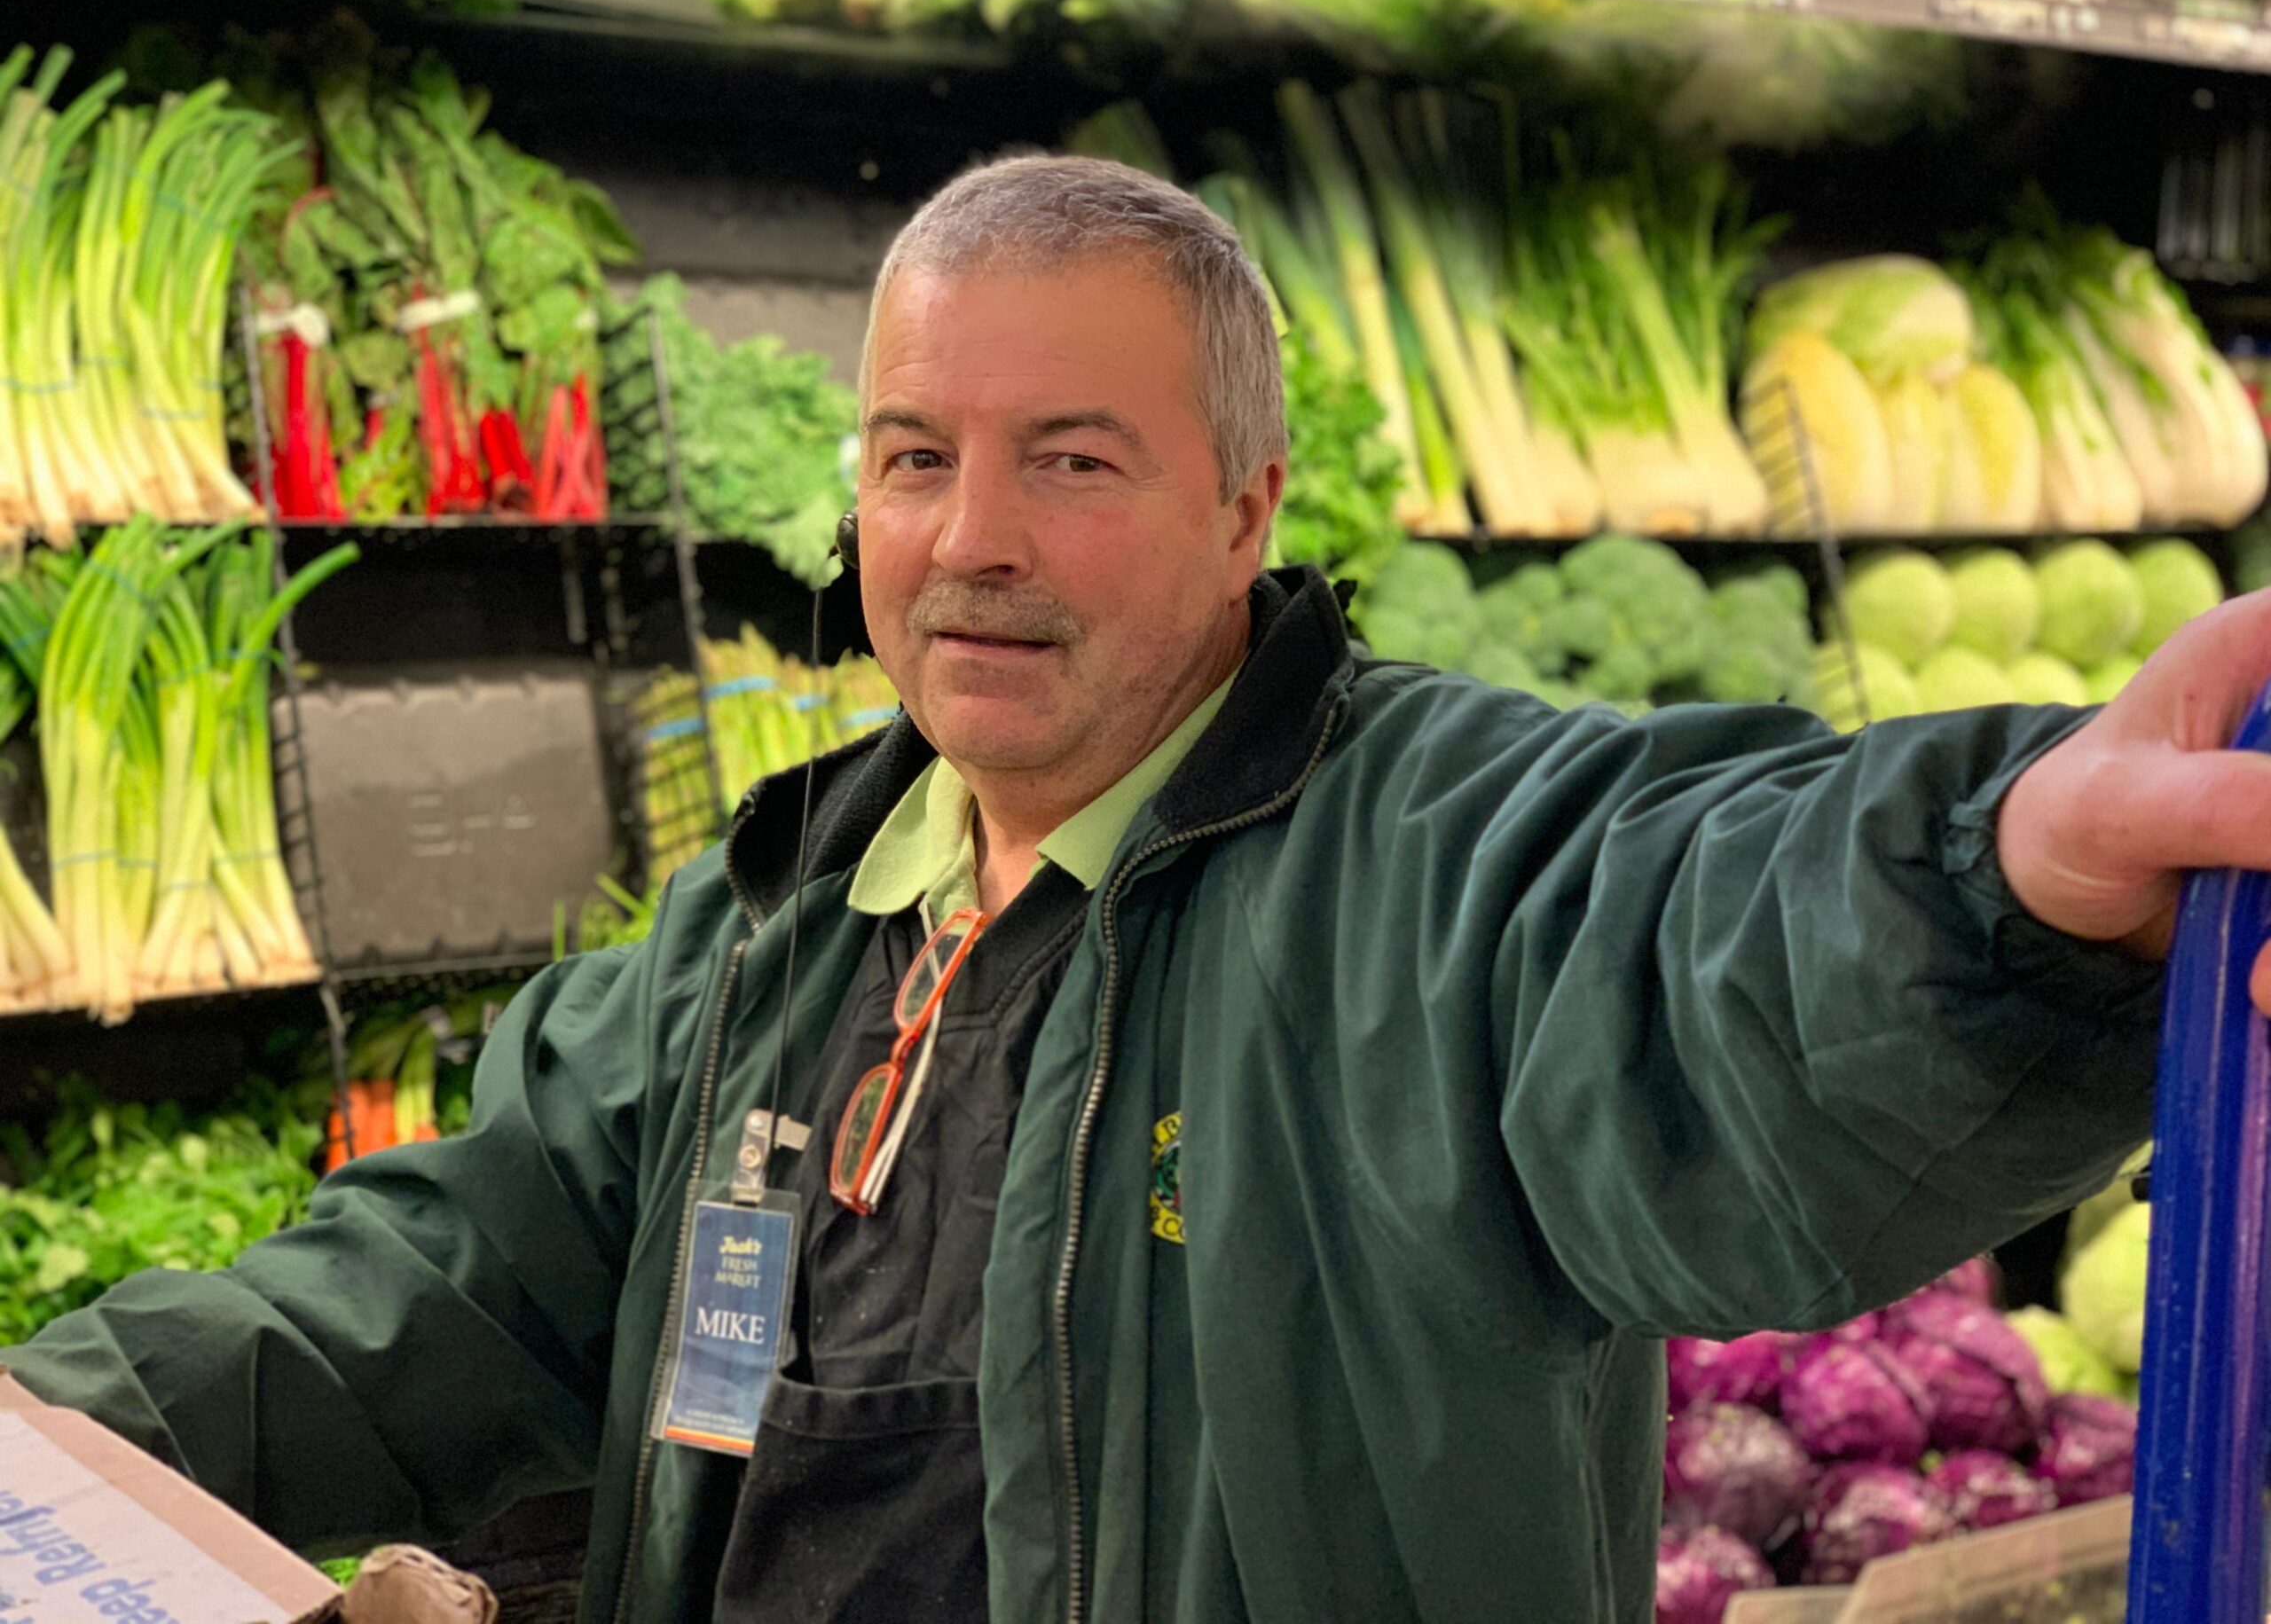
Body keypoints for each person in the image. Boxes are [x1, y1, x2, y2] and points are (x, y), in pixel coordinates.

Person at [4, 155, 2267, 1624]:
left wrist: (2001, 879)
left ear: (1244, 509)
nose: (967, 535)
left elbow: (1708, 949)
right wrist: (45, 1424)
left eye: (1069, 462)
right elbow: (456, 1271)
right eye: (914, 458)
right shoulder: (787, 918)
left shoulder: (1435, 863)